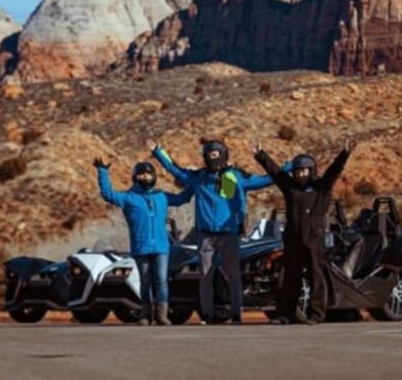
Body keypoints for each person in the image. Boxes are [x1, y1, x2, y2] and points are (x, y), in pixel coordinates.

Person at [150, 139, 273, 324]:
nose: (211, 158)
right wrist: (159, 151)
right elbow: (175, 170)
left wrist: (286, 167)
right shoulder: (199, 178)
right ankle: (207, 314)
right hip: (206, 235)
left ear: (223, 155)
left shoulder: (237, 177)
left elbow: (268, 179)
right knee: (205, 276)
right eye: (208, 155)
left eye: (215, 155)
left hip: (229, 234)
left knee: (233, 274)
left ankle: (236, 313)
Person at [251, 139, 355, 324]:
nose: (300, 174)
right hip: (293, 239)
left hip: (314, 239)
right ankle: (286, 314)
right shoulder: (291, 188)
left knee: (316, 276)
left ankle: (316, 314)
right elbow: (276, 173)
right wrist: (260, 154)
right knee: (291, 277)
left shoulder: (320, 188)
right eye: (297, 171)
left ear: (311, 170)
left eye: (304, 170)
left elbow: (334, 171)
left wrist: (345, 153)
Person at [93, 156, 194, 325]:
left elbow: (182, 198)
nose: (145, 177)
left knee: (161, 280)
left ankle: (161, 315)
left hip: (162, 247)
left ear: (153, 176)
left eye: (148, 173)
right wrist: (102, 171)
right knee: (145, 281)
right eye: (141, 174)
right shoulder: (128, 197)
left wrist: (195, 184)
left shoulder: (161, 196)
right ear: (135, 176)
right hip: (141, 246)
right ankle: (145, 315)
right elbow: (108, 194)